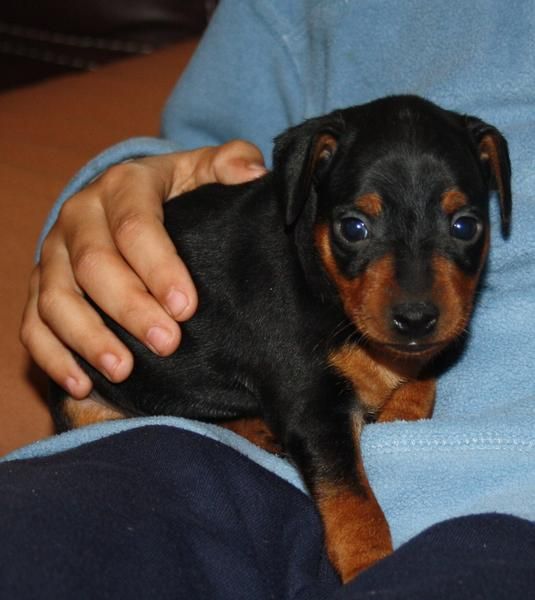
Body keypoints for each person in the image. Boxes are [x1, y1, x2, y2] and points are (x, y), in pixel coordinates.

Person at [5, 0, 535, 597]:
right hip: (164, 446)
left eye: (462, 228)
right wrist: (113, 201)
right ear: (306, 192)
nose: (413, 300)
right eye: (356, 231)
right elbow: (193, 152)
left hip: (506, 509)